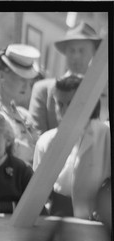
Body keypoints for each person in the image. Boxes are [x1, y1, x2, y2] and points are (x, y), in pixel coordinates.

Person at [33, 74, 110, 219]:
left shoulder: (107, 136)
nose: (65, 110)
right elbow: (38, 195)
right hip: (57, 223)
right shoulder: (46, 141)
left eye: (71, 103)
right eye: (60, 104)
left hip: (100, 225)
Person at [28, 21, 102, 135]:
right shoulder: (43, 90)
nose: (76, 56)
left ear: (94, 52)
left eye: (82, 50)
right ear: (65, 53)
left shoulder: (101, 91)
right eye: (72, 50)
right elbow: (35, 136)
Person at [0, 44, 41, 167]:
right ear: (1, 76)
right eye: (21, 79)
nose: (26, 85)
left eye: (28, 81)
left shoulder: (23, 114)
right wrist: (31, 150)